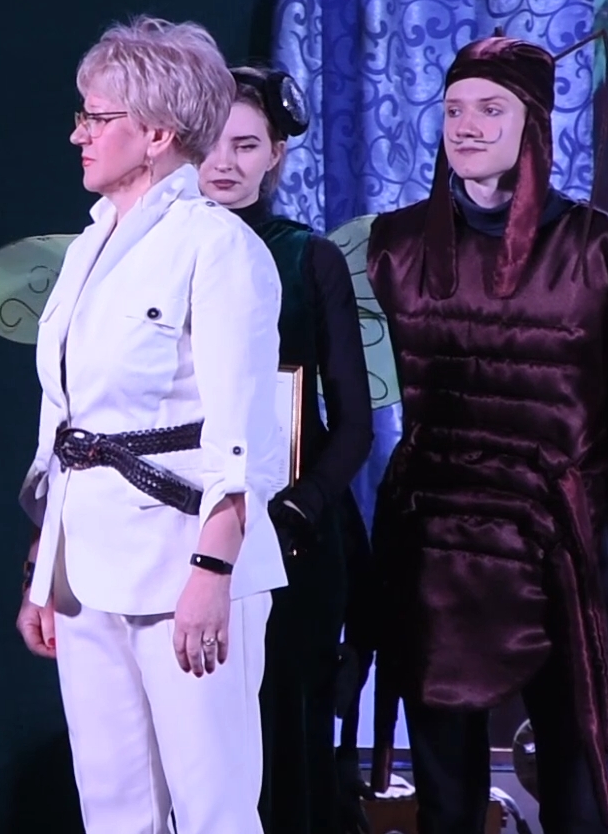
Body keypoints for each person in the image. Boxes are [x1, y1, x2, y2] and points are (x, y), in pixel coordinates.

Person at [366, 35, 608, 834]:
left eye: (489, 109)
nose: (466, 126)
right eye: (454, 110)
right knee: (445, 786)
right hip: (434, 534)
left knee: (571, 771)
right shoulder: (394, 247)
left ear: (532, 123)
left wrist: (606, 532)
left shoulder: (598, 249)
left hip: (557, 536)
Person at [15, 16, 286, 834]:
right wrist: (45, 564)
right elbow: (67, 423)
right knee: (113, 806)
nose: (78, 133)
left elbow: (244, 434)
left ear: (159, 133)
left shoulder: (218, 247)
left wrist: (211, 569)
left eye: (96, 117)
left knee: (212, 809)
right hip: (87, 562)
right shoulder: (88, 246)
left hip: (185, 561)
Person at [199, 66, 373, 834]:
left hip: (294, 532)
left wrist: (300, 506)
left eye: (246, 144)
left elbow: (354, 422)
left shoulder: (307, 257)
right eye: (212, 143)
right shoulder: (162, 250)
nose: (225, 162)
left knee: (284, 728)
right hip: (185, 526)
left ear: (276, 153)